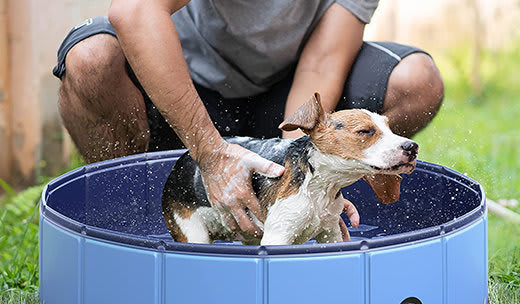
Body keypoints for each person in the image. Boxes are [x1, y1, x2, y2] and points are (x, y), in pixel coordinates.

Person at [53, 0, 444, 239]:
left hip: (283, 93)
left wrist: (311, 177)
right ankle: (125, 223)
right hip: (182, 89)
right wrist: (210, 154)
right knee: (90, 59)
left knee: (416, 81)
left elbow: (322, 63)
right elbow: (133, 10)